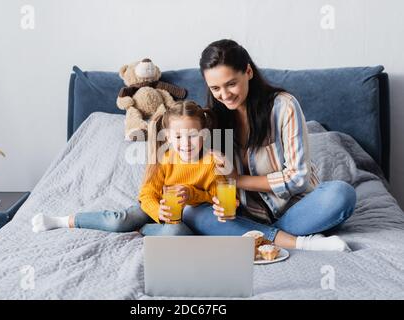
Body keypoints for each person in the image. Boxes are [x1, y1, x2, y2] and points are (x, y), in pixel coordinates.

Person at [181, 39, 356, 251]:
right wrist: (222, 202)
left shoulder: (283, 106)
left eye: (231, 84)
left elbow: (298, 178)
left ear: (248, 72)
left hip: (297, 212)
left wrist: (238, 180)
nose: (224, 95)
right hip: (245, 215)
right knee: (191, 212)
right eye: (215, 88)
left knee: (340, 194)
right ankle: (299, 242)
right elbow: (209, 178)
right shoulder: (213, 120)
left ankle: (257, 236)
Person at [31, 100, 221, 236]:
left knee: (178, 232)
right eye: (178, 137)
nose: (186, 143)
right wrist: (158, 212)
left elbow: (217, 198)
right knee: (119, 221)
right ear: (169, 138)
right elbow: (147, 195)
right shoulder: (164, 159)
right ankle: (63, 221)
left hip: (184, 217)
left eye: (193, 135)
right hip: (155, 207)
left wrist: (192, 195)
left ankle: (143, 229)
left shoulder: (212, 162)